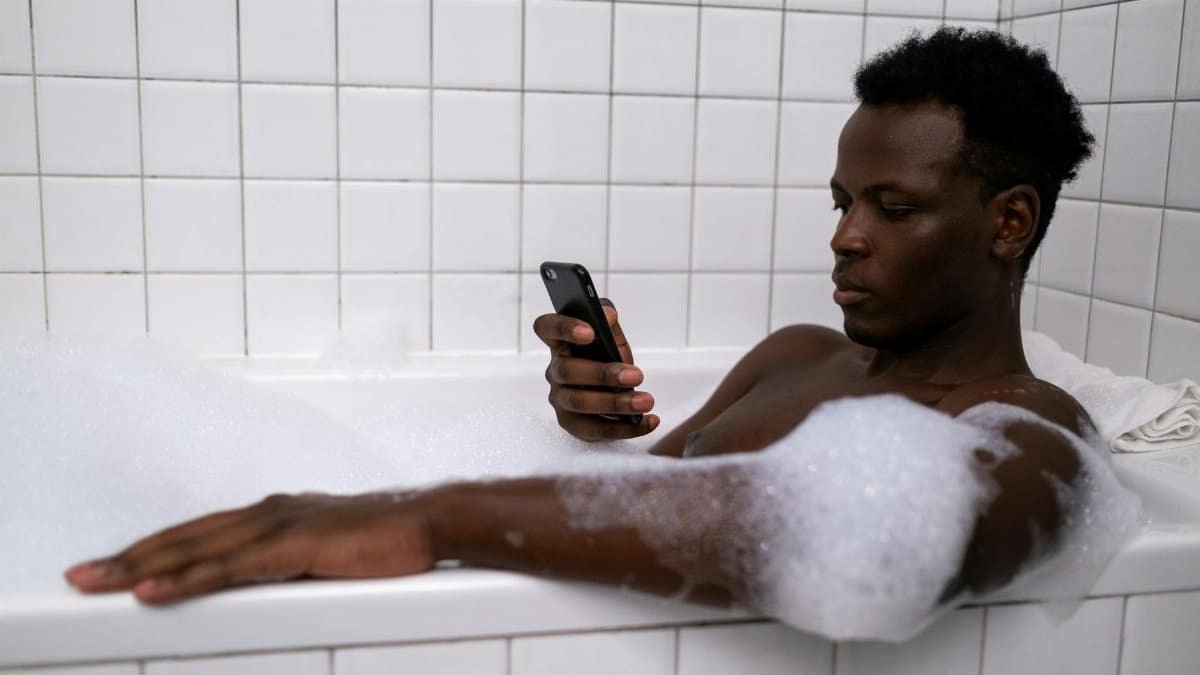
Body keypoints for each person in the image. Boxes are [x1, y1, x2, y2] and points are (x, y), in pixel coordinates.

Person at [64, 28, 1097, 609]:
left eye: (894, 209)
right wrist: (597, 437)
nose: (845, 237)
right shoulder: (795, 356)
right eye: (842, 202)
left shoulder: (1033, 428)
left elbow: (899, 537)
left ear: (1009, 222)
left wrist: (429, 513)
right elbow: (652, 497)